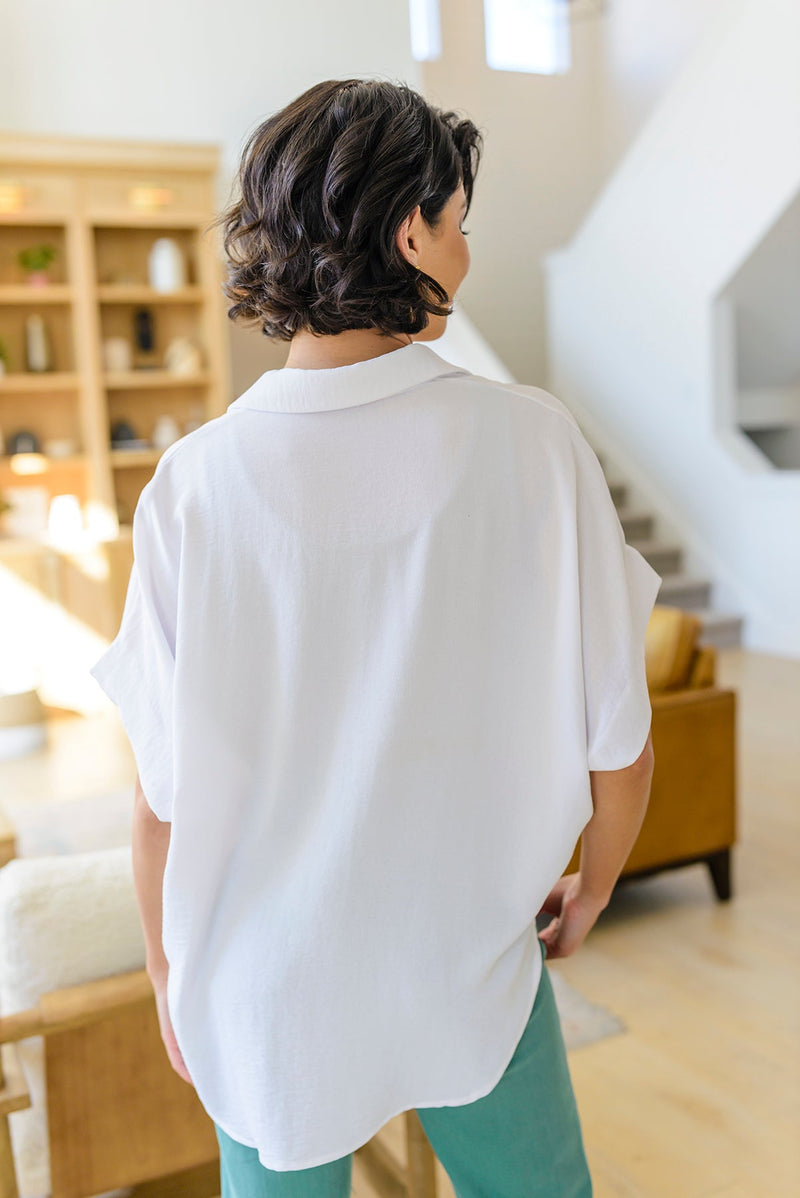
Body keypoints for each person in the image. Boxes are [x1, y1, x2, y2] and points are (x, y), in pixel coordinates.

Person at [89, 78, 660, 1198]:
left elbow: (162, 800)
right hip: (468, 970)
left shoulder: (189, 486)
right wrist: (588, 890)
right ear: (412, 231)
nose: (464, 245)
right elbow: (618, 751)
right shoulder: (534, 445)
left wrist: (169, 973)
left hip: (263, 994)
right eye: (457, 219)